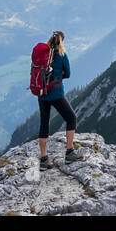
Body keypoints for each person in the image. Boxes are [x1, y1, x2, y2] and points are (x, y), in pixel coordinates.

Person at [38, 30, 79, 166]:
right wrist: (59, 73)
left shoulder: (41, 54)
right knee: (71, 118)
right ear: (62, 41)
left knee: (44, 123)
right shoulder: (62, 54)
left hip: (42, 94)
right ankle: (69, 152)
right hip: (56, 94)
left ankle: (43, 159)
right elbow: (67, 73)